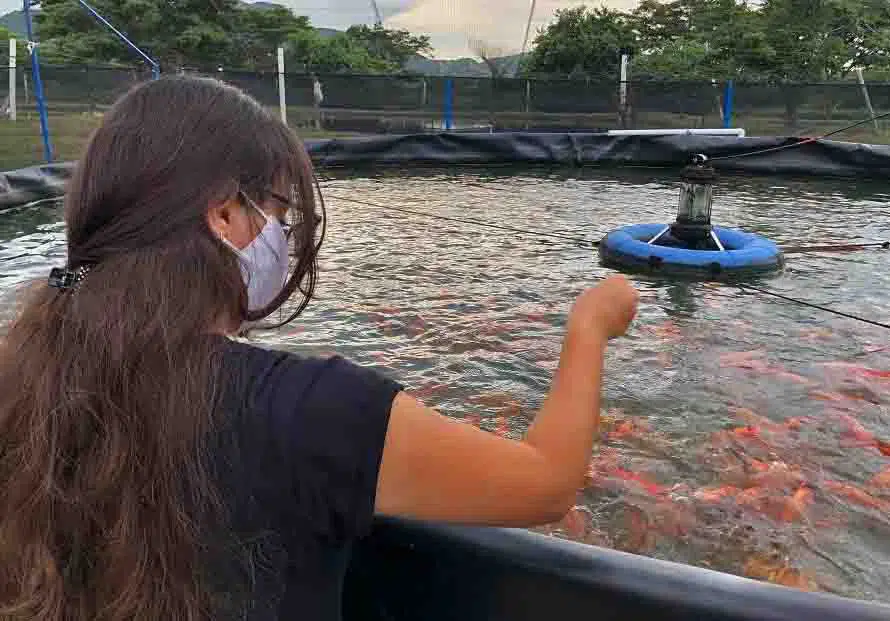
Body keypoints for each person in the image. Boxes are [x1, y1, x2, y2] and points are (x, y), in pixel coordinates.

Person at [0, 75, 639, 620]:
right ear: (224, 217)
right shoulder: (309, 409)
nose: (285, 233)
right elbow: (545, 485)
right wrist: (588, 328)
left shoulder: (21, 370)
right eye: (278, 210)